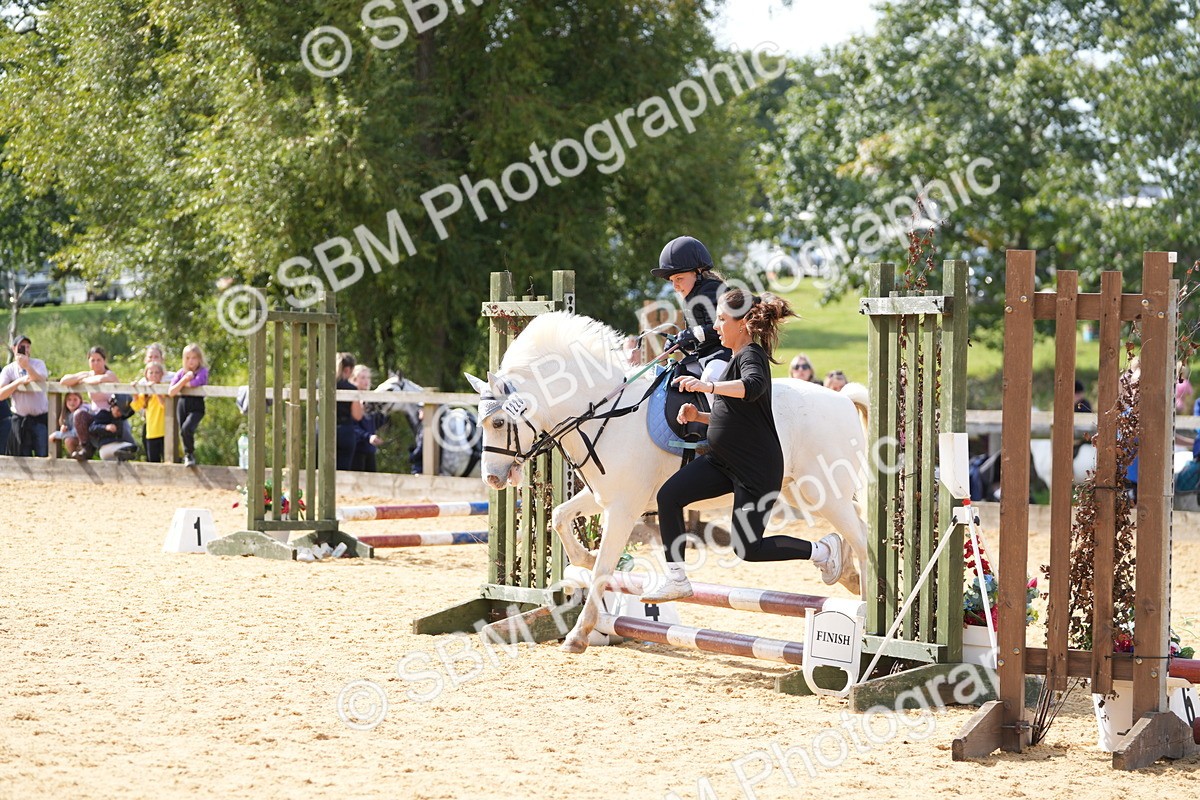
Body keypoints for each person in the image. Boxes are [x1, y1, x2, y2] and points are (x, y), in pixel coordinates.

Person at [643, 289, 845, 603]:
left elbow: (752, 388)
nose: (717, 327)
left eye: (722, 320)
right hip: (723, 462)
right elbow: (733, 415)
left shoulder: (752, 355)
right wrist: (701, 415)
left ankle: (822, 550)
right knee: (669, 495)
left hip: (756, 470)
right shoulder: (734, 360)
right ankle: (677, 578)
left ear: (743, 323)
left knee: (747, 549)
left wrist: (706, 385)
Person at [652, 235, 732, 384]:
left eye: (679, 278)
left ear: (698, 272)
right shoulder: (689, 298)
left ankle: (722, 409)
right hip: (703, 356)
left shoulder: (712, 290)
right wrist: (679, 342)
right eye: (672, 281)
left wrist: (689, 334)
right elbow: (698, 340)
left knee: (710, 378)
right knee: (674, 378)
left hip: (724, 353)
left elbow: (721, 329)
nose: (675, 286)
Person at [0, 334, 50, 456]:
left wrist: (27, 366)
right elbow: (1, 394)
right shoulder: (9, 370)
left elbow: (40, 379)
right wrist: (17, 382)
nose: (25, 349)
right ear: (14, 348)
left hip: (40, 419)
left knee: (42, 454)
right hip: (20, 420)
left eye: (28, 346)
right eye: (22, 346)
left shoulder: (38, 364)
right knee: (23, 457)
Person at [168, 344, 208, 467]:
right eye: (188, 358)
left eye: (194, 358)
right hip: (183, 404)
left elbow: (196, 383)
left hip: (196, 405)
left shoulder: (202, 371)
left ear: (199, 359)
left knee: (187, 428)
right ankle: (187, 455)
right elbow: (171, 391)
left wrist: (184, 383)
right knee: (183, 431)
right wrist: (184, 380)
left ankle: (190, 454)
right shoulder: (181, 373)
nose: (191, 361)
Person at [350, 365, 384, 472]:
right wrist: (368, 437)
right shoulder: (351, 398)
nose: (367, 381)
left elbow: (377, 424)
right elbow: (352, 426)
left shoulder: (370, 400)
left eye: (368, 378)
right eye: (363, 378)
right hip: (356, 450)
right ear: (354, 380)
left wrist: (383, 411)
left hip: (370, 450)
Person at [132, 361, 167, 463]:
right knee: (153, 461)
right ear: (146, 375)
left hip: (165, 431)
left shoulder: (165, 389)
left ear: (162, 374)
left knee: (168, 460)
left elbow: (165, 405)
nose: (154, 375)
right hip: (151, 432)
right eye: (151, 373)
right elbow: (136, 406)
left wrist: (156, 391)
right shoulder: (146, 392)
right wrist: (135, 392)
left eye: (157, 372)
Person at [335, 352, 362, 470]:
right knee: (343, 470)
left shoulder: (319, 384)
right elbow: (357, 415)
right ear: (348, 370)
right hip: (344, 431)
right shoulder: (351, 388)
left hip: (321, 429)